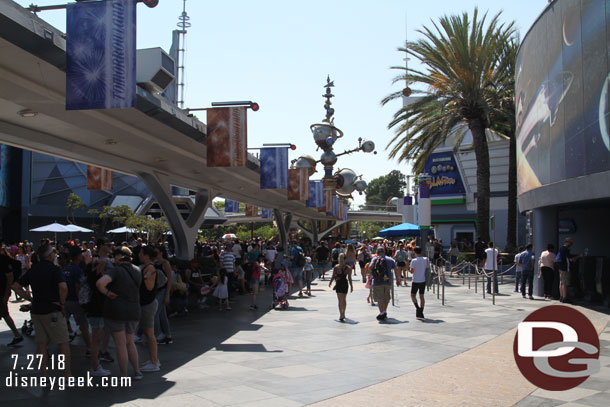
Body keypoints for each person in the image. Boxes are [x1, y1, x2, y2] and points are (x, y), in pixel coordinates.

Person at [12, 244, 71, 377]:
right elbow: (63, 287)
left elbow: (16, 286)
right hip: (52, 309)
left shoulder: (33, 269)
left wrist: (30, 299)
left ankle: (44, 374)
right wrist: (62, 302)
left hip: (37, 310)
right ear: (50, 256)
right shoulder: (55, 269)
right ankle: (67, 374)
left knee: (41, 344)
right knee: (63, 342)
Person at [96, 246, 143, 380]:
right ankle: (137, 371)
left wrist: (108, 293)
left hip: (117, 310)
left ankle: (124, 374)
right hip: (134, 310)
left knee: (120, 344)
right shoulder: (137, 270)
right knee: (130, 342)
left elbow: (100, 283)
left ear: (118, 257)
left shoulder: (116, 271)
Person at [81, 261, 111, 376]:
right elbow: (102, 264)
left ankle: (96, 365)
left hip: (94, 311)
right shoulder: (94, 278)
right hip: (97, 311)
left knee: (96, 339)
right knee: (96, 340)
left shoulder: (90, 278)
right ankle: (95, 366)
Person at [63, 246, 91, 354]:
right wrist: (82, 301)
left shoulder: (66, 269)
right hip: (75, 300)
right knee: (83, 325)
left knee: (63, 324)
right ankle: (89, 347)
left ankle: (63, 345)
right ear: (78, 256)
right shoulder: (77, 270)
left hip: (65, 300)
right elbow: (78, 286)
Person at [137, 246, 160, 372]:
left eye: (141, 253)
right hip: (145, 303)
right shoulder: (146, 268)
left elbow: (150, 287)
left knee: (150, 334)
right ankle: (153, 358)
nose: (139, 255)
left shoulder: (150, 268)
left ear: (146, 255)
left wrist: (146, 277)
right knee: (147, 333)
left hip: (148, 304)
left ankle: (154, 361)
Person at [0, 246, 23, 346]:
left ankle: (17, 334)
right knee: (4, 314)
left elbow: (10, 276)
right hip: (2, 292)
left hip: (1, 292)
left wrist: (6, 293)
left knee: (4, 313)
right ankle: (17, 334)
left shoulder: (3, 259)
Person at [369, 247, 395, 321]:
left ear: (377, 252)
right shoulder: (390, 259)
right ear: (384, 252)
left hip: (377, 281)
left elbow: (370, 267)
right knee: (386, 296)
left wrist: (372, 273)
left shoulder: (374, 259)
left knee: (380, 297)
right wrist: (398, 279)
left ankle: (381, 312)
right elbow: (395, 268)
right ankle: (384, 311)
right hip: (387, 281)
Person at [154, 246, 173, 345]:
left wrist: (167, 294)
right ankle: (168, 336)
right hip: (156, 290)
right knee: (162, 315)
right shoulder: (154, 263)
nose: (155, 254)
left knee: (155, 314)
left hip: (163, 290)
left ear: (161, 253)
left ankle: (158, 335)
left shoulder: (165, 263)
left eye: (156, 252)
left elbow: (169, 280)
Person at [557, 237, 582, 303]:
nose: (571, 244)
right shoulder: (565, 249)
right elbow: (571, 259)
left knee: (561, 283)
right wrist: (579, 256)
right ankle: (565, 298)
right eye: (571, 243)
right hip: (565, 268)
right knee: (565, 283)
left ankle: (562, 297)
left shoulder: (561, 248)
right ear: (567, 242)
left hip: (561, 268)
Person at [329, 253, 353, 322]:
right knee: (344, 299)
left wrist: (330, 282)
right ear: (345, 259)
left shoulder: (336, 267)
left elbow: (333, 276)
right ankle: (343, 313)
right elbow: (349, 278)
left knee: (340, 300)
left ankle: (340, 314)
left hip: (338, 283)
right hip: (345, 283)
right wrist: (351, 286)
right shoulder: (348, 268)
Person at [409, 246, 428, 320]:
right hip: (422, 279)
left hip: (416, 280)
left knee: (413, 295)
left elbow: (411, 271)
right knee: (422, 296)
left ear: (414, 252)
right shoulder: (425, 259)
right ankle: (421, 310)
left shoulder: (414, 261)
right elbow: (426, 269)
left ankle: (418, 308)